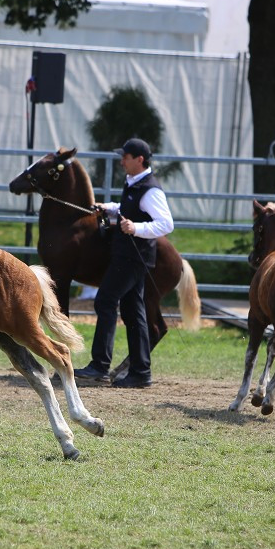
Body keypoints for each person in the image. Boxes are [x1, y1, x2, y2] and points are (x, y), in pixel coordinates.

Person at [74, 138, 173, 389]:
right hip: (129, 255)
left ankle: (100, 365)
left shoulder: (151, 190)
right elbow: (129, 207)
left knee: (105, 300)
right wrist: (108, 209)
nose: (121, 161)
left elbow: (166, 223)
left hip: (133, 256)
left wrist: (135, 227)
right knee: (133, 312)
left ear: (139, 159)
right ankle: (140, 371)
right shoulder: (135, 184)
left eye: (125, 157)